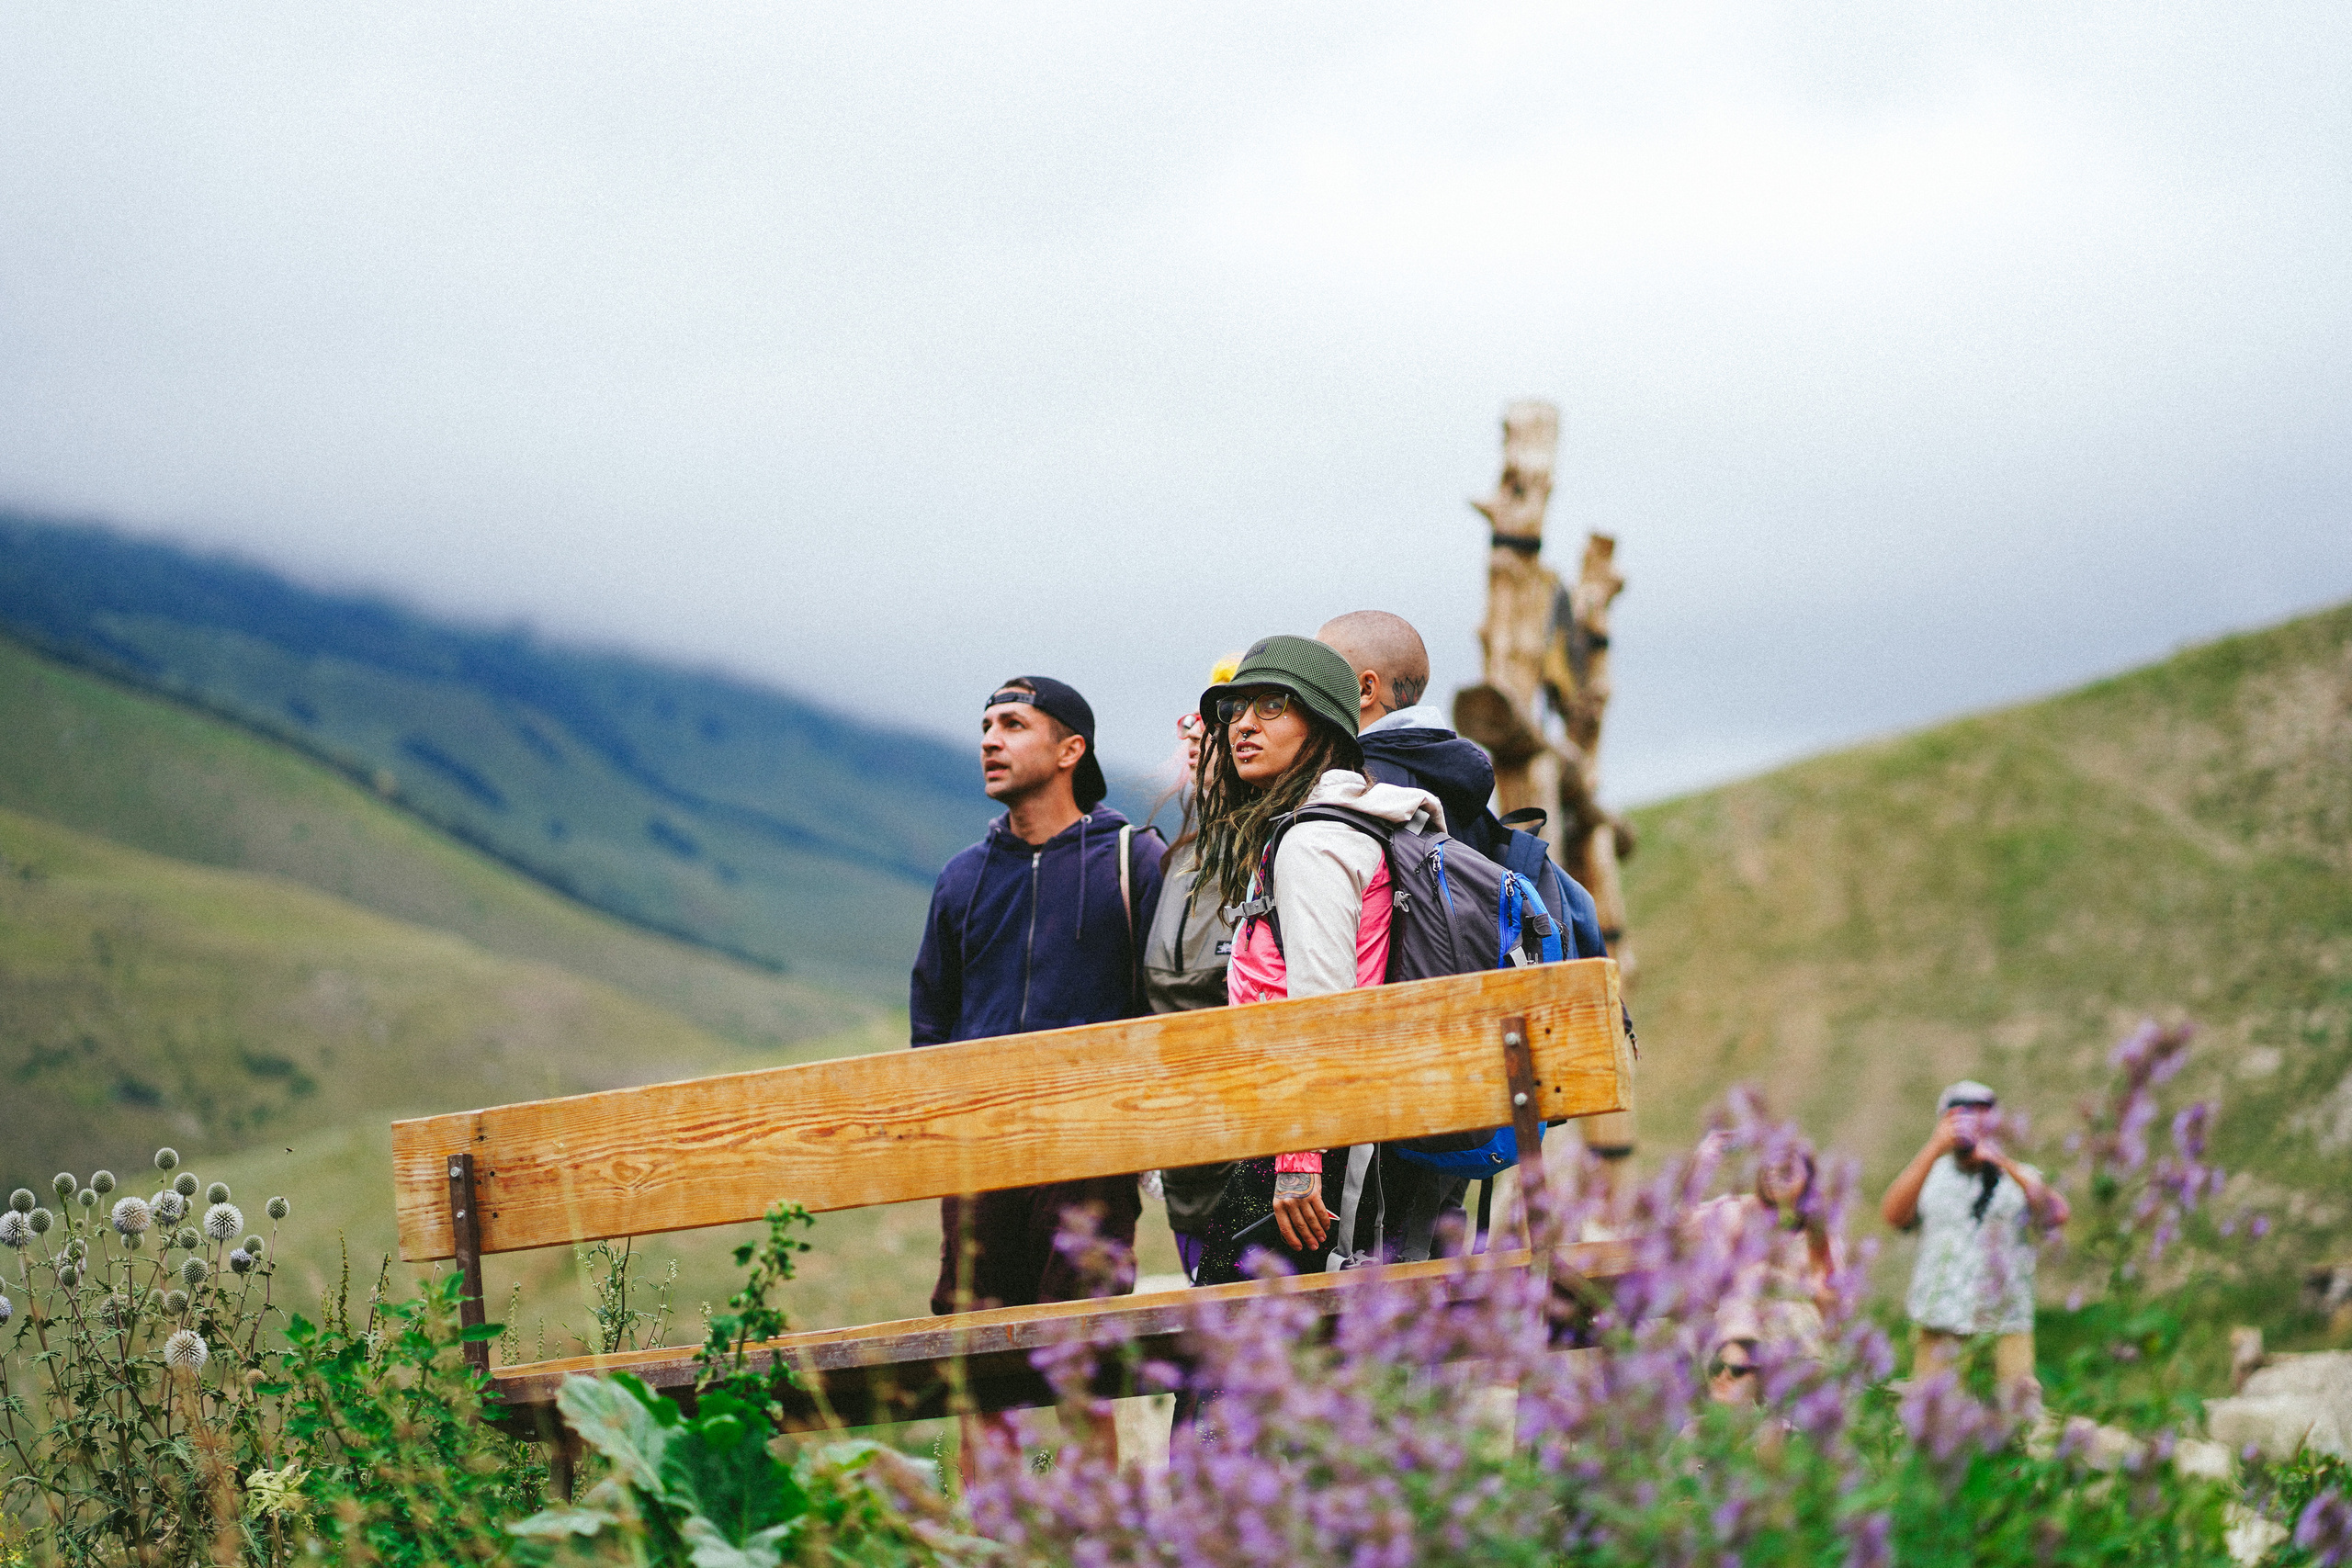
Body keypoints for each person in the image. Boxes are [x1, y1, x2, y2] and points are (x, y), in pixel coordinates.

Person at [1180, 635, 1447, 1285]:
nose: (1243, 723)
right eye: (1234, 710)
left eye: (1272, 705)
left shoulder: (1315, 841)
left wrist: (1297, 1159)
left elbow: (1324, 1007)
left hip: (1305, 1142)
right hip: (1309, 1126)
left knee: (1237, 1370)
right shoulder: (1342, 822)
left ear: (1324, 721)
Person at [910, 676, 1165, 1318]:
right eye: (986, 729)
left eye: (1013, 725)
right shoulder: (962, 877)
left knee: (1082, 1365)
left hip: (1094, 1156)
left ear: (1070, 750)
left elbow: (1166, 1006)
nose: (991, 742)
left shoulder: (1135, 862)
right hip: (982, 1157)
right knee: (979, 1365)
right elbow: (931, 1021)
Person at [1141, 659, 1242, 1282]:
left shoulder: (1292, 850)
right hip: (1186, 1165)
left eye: (1216, 729)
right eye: (1193, 731)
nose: (1200, 746)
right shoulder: (1175, 861)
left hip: (1266, 1169)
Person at [1879, 1080, 2069, 1404]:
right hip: (1939, 1317)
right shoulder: (1929, 1173)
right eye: (1962, 1115)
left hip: (2005, 1319)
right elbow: (1893, 1215)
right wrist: (1934, 1147)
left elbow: (2057, 1213)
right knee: (1934, 1417)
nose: (1972, 1125)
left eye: (1983, 1116)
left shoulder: (2019, 1174)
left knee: (2013, 1415)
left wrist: (2002, 1162)